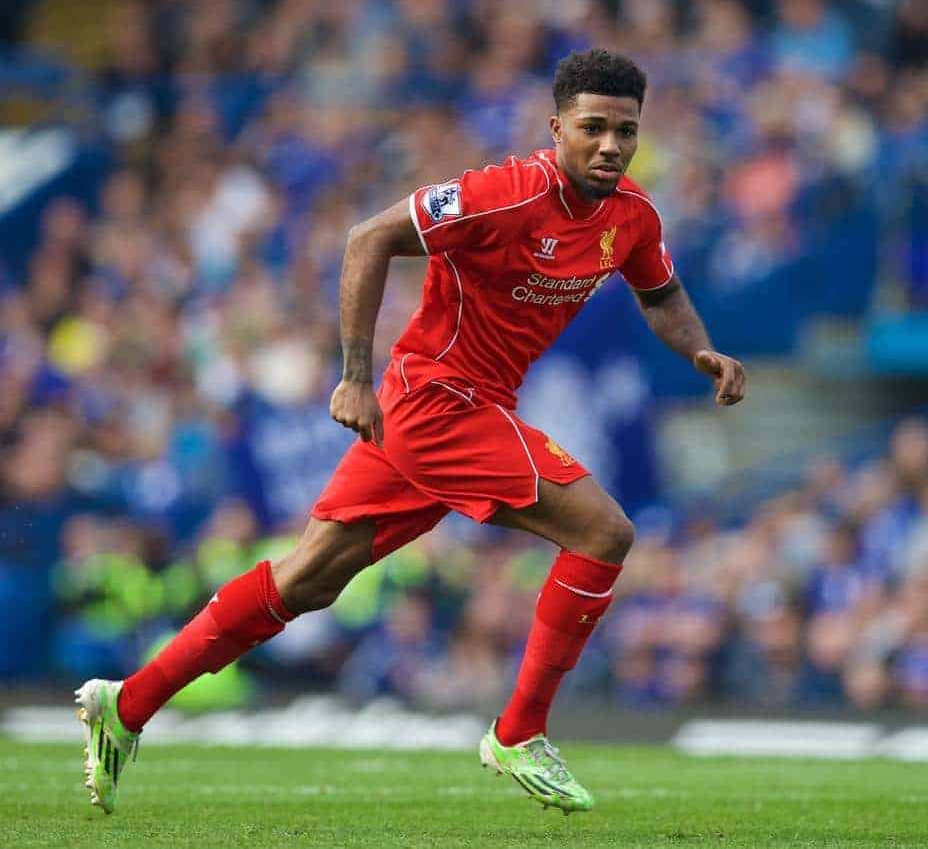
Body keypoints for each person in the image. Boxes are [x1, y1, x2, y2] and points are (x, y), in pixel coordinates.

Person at [75, 49, 746, 815]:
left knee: (308, 579)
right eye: (593, 128)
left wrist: (699, 348)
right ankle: (518, 733)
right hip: (437, 401)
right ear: (556, 127)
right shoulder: (500, 194)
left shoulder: (631, 216)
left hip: (458, 409)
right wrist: (354, 375)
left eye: (625, 131)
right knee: (603, 533)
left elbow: (660, 294)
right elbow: (369, 238)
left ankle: (126, 705)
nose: (610, 146)